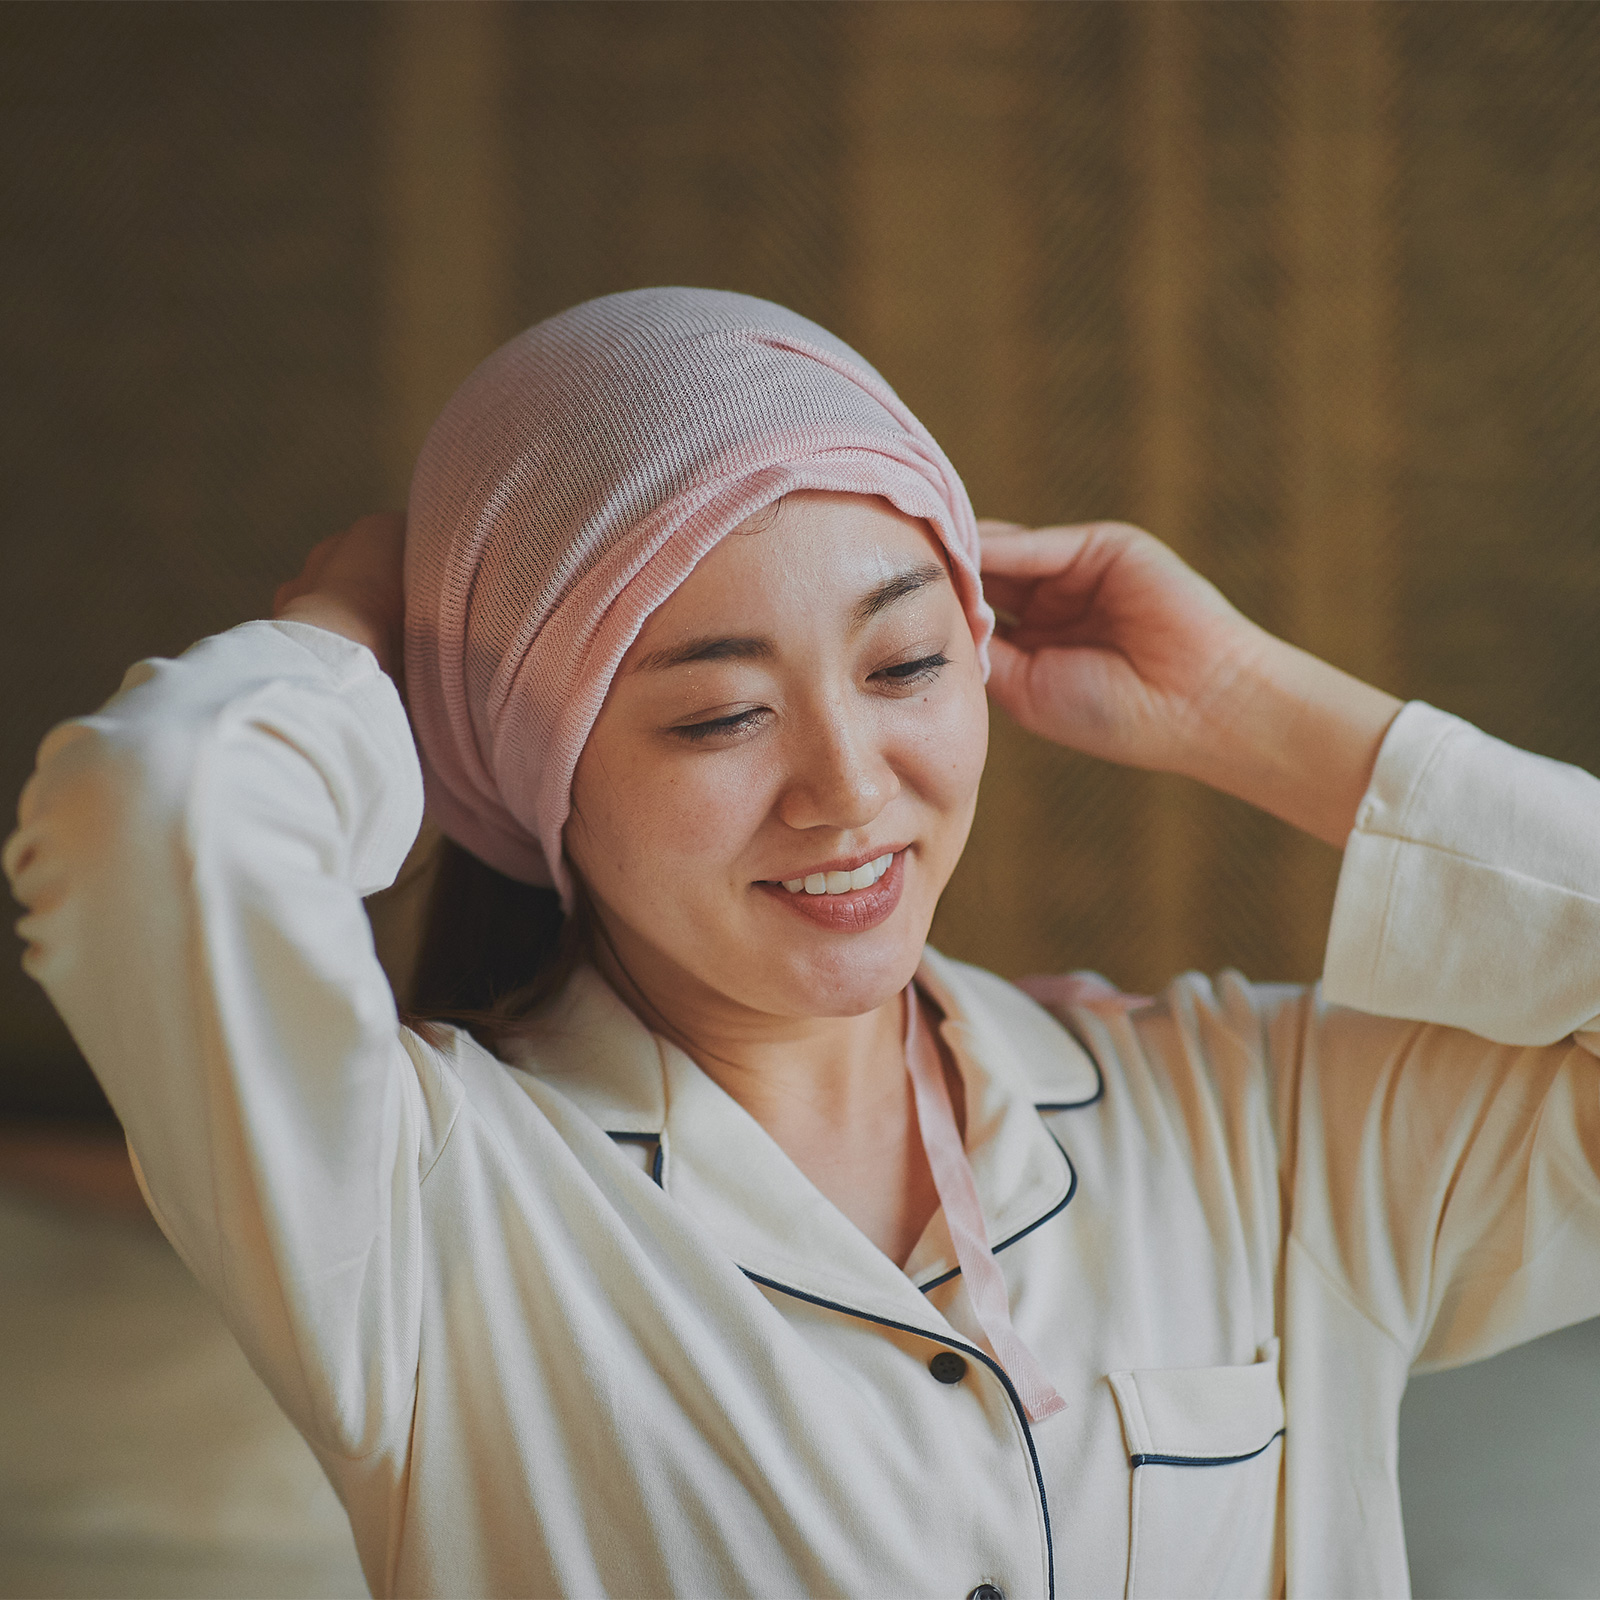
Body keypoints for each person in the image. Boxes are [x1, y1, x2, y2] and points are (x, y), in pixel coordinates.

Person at [6, 288, 1598, 1600]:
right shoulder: (425, 1206)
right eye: (721, 715)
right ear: (530, 763)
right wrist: (353, 630)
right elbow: (148, 818)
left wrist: (1252, 707)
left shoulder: (1258, 1126)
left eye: (905, 666)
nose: (849, 789)